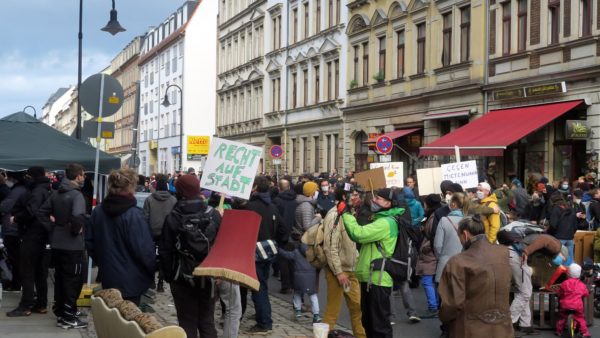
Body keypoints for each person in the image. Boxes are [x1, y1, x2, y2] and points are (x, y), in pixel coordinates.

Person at [159, 174, 222, 338]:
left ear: (179, 191)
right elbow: (222, 246)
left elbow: (165, 249)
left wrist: (169, 275)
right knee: (207, 321)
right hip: (208, 275)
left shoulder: (173, 217)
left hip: (182, 276)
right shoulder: (213, 214)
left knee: (186, 322)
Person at [341, 188, 405, 338]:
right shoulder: (379, 219)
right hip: (371, 277)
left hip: (378, 279)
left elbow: (359, 234)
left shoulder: (386, 222)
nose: (373, 200)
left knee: (378, 326)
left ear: (388, 203)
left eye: (378, 198)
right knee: (369, 323)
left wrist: (346, 215)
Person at [86, 169, 156, 305]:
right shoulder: (133, 214)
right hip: (132, 279)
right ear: (130, 187)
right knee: (128, 321)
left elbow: (90, 243)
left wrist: (104, 262)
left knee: (113, 320)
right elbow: (144, 250)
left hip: (109, 276)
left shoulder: (99, 211)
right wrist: (150, 271)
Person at [438, 215, 513, 338]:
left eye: (459, 236)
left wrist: (443, 317)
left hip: (470, 328)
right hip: (502, 327)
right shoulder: (503, 253)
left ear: (465, 234)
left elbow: (453, 303)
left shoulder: (459, 261)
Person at [37, 163, 88, 329]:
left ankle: (62, 313)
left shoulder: (57, 193)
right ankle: (68, 316)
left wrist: (54, 227)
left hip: (57, 243)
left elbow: (41, 212)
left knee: (60, 279)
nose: (84, 177)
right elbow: (78, 217)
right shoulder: (76, 195)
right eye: (83, 175)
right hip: (72, 245)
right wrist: (74, 230)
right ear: (77, 176)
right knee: (72, 281)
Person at [7, 167, 52, 317]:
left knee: (27, 270)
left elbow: (31, 211)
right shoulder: (45, 189)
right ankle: (41, 304)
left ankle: (25, 305)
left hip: (33, 235)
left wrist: (16, 218)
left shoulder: (38, 191)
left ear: (33, 176)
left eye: (28, 175)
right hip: (42, 236)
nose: (26, 178)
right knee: (40, 272)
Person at [244, 176, 287, 334]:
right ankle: (263, 315)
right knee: (262, 284)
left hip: (253, 252)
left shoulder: (250, 207)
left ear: (254, 187)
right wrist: (275, 243)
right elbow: (283, 231)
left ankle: (264, 322)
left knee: (258, 287)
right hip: (268, 252)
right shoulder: (272, 206)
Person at [322, 187, 366, 338]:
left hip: (352, 269)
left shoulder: (351, 213)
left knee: (357, 308)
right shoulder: (334, 215)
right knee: (333, 310)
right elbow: (330, 246)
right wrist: (338, 272)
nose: (356, 197)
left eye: (357, 195)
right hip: (338, 271)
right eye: (353, 195)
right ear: (343, 196)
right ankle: (323, 335)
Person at [143, 174, 177, 293]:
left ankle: (151, 280)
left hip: (151, 233)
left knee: (150, 257)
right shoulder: (173, 200)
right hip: (167, 234)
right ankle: (161, 283)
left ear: (157, 188)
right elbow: (175, 218)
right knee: (164, 258)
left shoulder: (149, 199)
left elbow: (145, 217)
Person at [0, 171, 30, 292]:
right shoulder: (23, 189)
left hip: (13, 228)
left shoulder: (17, 191)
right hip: (16, 228)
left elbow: (5, 207)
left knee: (15, 258)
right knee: (16, 258)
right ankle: (17, 282)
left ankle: (16, 283)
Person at [279, 241, 322, 323]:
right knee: (313, 296)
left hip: (298, 278)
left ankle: (298, 310)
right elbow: (320, 262)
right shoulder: (313, 253)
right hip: (311, 278)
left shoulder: (296, 252)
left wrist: (279, 249)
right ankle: (316, 315)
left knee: (297, 294)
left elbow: (286, 255)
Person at [273, 179, 297, 294]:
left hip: (281, 233)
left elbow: (276, 218)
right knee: (292, 260)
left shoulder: (277, 201)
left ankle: (286, 285)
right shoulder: (294, 199)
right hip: (292, 232)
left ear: (279, 188)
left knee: (282, 260)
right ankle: (293, 283)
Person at [555, 263, 591, 337]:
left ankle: (558, 331)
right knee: (580, 318)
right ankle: (584, 332)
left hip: (565, 305)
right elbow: (586, 294)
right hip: (577, 306)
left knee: (562, 317)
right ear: (579, 275)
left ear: (568, 274)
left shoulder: (564, 283)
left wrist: (559, 295)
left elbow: (560, 293)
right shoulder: (582, 285)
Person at [547, 193, 578, 266]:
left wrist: (550, 233)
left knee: (558, 260)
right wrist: (571, 234)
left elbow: (553, 225)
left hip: (559, 238)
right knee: (570, 259)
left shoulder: (555, 209)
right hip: (570, 238)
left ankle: (560, 275)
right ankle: (572, 274)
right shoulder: (571, 209)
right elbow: (576, 225)